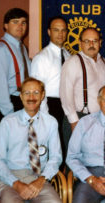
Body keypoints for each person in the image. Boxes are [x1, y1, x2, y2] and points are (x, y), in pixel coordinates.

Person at [0, 77, 62, 203]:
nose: (31, 97)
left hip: (38, 178)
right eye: (27, 93)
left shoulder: (51, 123)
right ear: (21, 96)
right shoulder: (7, 122)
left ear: (42, 95)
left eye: (36, 92)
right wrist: (16, 183)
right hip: (9, 177)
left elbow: (56, 157)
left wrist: (41, 180)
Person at [60, 27, 105, 155]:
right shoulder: (72, 62)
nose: (91, 45)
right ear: (80, 43)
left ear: (100, 42)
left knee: (94, 162)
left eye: (95, 41)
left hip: (99, 121)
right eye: (87, 41)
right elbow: (65, 96)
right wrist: (74, 123)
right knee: (74, 165)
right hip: (79, 119)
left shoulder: (104, 63)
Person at [31, 16, 71, 158]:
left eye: (63, 30)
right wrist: (44, 115)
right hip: (49, 105)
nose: (60, 34)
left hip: (65, 105)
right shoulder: (41, 58)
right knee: (49, 148)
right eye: (56, 30)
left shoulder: (68, 55)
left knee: (63, 146)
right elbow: (36, 91)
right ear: (49, 32)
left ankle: (61, 179)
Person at [0, 8, 31, 117]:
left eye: (23, 22)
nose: (20, 26)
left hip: (23, 102)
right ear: (6, 25)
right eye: (15, 22)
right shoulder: (0, 49)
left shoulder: (22, 48)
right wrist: (9, 114)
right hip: (9, 104)